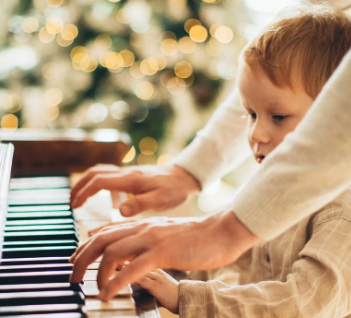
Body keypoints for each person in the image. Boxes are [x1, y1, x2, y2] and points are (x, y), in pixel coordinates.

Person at [69, 1, 351, 300]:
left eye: (278, 117)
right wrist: (153, 258)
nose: (255, 133)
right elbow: (231, 262)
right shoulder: (267, 181)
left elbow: (298, 303)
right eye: (251, 115)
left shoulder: (341, 217)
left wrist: (184, 297)